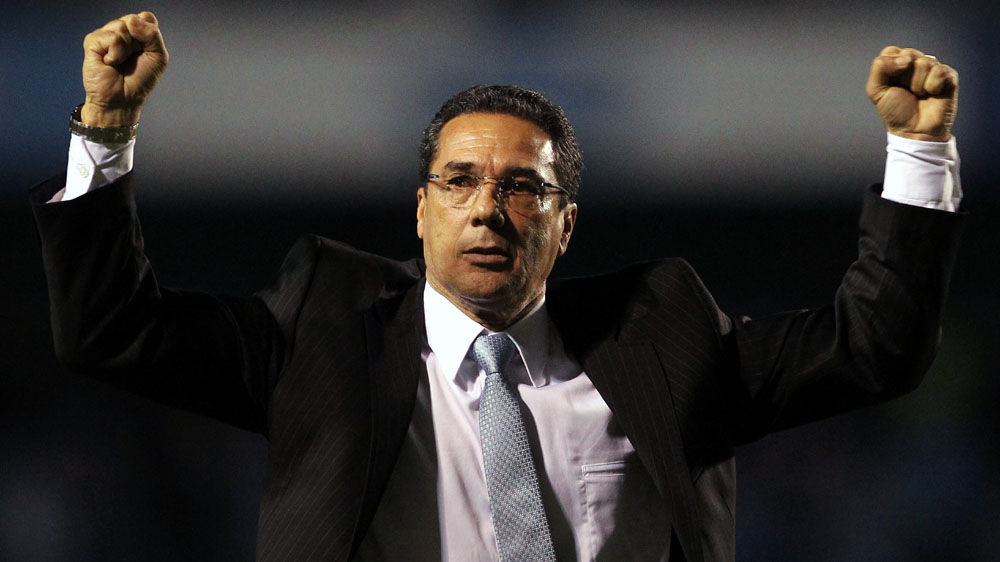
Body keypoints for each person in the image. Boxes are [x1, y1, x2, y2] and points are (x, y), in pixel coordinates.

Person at [31, 11, 964, 562]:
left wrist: (919, 151)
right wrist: (105, 132)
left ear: (566, 224)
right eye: (460, 181)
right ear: (422, 210)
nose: (489, 209)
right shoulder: (321, 331)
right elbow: (110, 330)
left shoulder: (663, 335)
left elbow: (873, 347)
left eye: (523, 187)